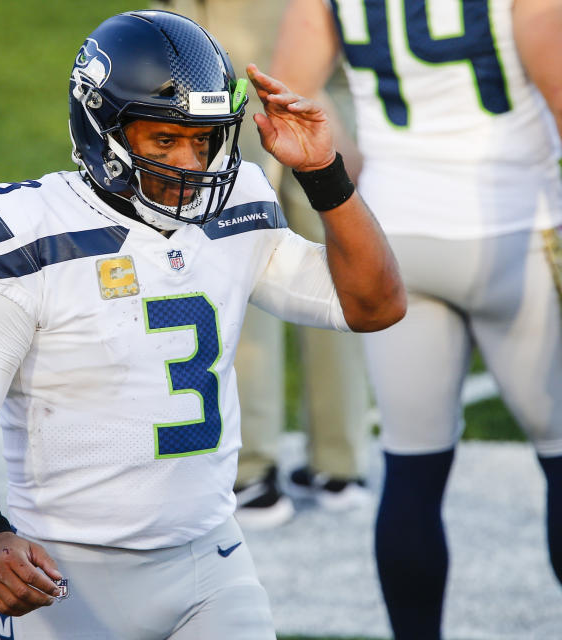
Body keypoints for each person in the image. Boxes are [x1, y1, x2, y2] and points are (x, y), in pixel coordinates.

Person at [0, 10, 405, 638]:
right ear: (102, 130)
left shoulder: (235, 209)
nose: (191, 162)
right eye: (165, 140)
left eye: (202, 140)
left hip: (211, 564)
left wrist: (323, 173)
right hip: (67, 580)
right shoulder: (29, 233)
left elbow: (376, 305)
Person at [271, 0, 562, 637]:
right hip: (518, 231)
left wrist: (363, 180)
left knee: (412, 467)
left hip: (400, 238)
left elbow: (289, 88)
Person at [151, 0, 372, 526]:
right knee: (333, 266)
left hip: (233, 72)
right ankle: (340, 463)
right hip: (324, 74)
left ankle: (251, 471)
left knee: (242, 264)